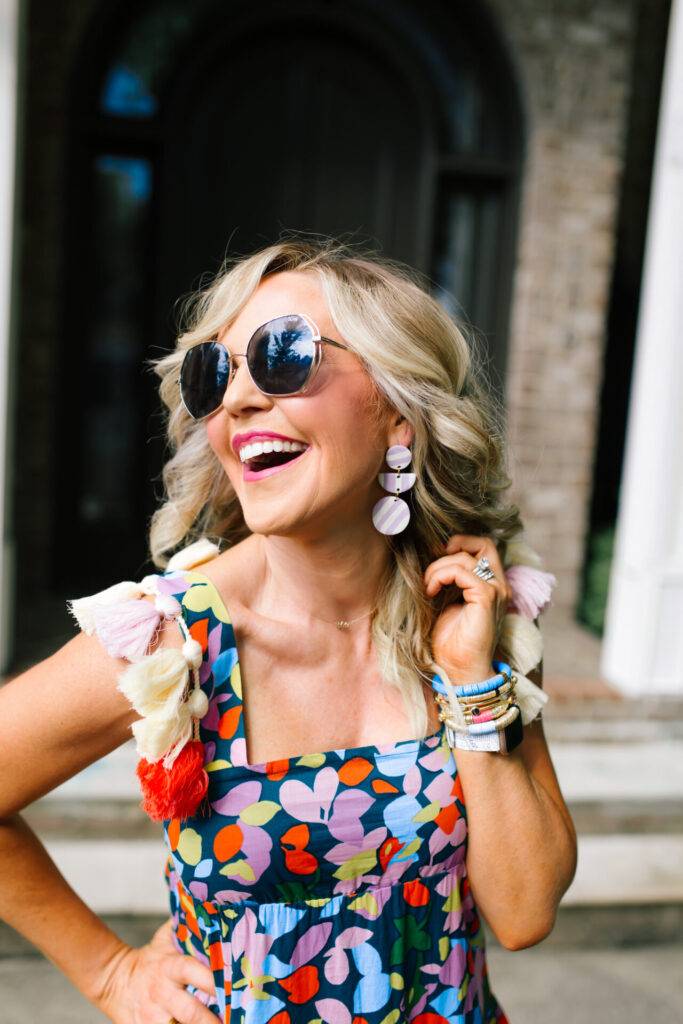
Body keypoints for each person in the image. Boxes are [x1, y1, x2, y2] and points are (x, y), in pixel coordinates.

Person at [0, 238, 576, 1023]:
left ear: (398, 414)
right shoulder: (173, 641)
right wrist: (109, 974)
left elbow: (523, 911)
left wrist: (471, 679)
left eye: (283, 357)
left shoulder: (473, 614)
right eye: (214, 374)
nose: (235, 400)